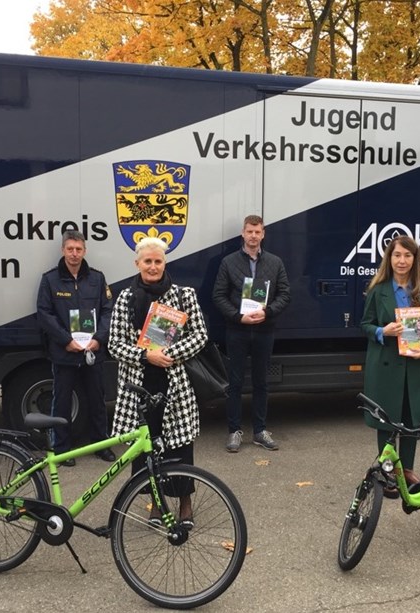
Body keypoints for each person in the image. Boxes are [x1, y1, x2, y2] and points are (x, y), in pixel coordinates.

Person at [108, 237, 208, 525]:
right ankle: (156, 501)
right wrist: (146, 356)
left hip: (174, 384)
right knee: (147, 447)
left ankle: (185, 504)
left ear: (165, 263)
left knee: (180, 447)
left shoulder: (184, 295)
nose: (153, 266)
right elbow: (114, 344)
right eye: (147, 261)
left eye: (158, 261)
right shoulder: (125, 299)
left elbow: (200, 335)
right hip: (140, 386)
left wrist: (168, 354)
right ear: (137, 263)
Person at [361, 236, 420, 496]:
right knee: (386, 421)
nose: (402, 261)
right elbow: (365, 324)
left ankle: (406, 470)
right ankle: (388, 472)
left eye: (407, 255)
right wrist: (382, 331)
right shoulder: (378, 289)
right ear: (390, 258)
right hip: (385, 365)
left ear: (415, 259)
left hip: (414, 365)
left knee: (411, 420)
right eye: (397, 255)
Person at [213, 215, 290, 452]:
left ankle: (259, 431)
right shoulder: (228, 262)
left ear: (263, 234)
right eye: (250, 231)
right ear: (243, 233)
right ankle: (234, 431)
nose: (253, 236)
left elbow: (285, 294)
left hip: (264, 330)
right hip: (237, 330)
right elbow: (218, 296)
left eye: (257, 232)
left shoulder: (275, 262)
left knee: (261, 382)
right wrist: (239, 317)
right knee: (235, 383)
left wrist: (268, 312)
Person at [36, 230, 114, 465]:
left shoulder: (97, 279)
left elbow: (107, 311)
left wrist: (98, 339)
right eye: (70, 249)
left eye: (78, 249)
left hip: (92, 351)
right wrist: (65, 340)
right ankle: (62, 450)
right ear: (63, 250)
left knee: (97, 400)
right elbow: (44, 313)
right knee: (61, 402)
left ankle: (101, 445)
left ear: (85, 251)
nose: (74, 254)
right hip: (64, 352)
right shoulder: (50, 279)